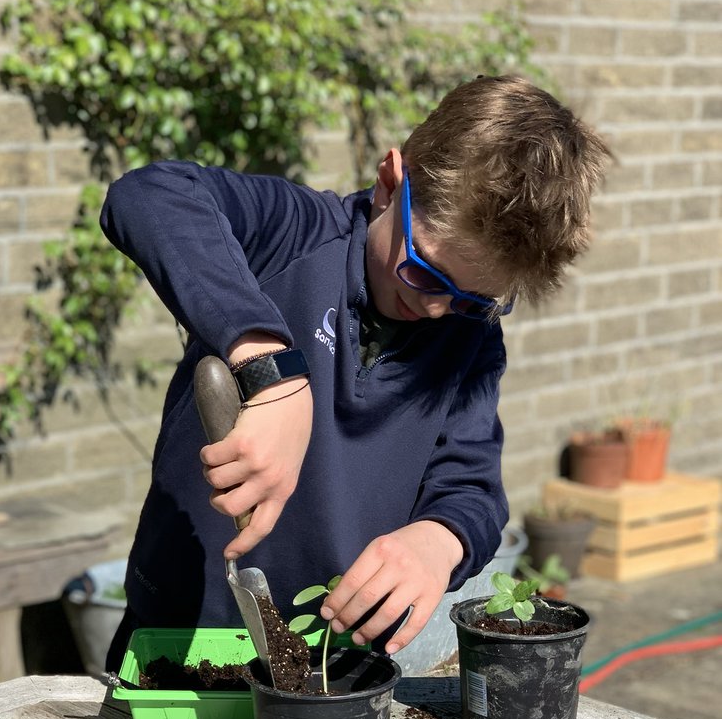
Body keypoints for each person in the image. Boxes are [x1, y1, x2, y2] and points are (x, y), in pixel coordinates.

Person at [100, 75, 612, 671]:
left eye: (474, 298)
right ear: (391, 183)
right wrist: (269, 368)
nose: (437, 308)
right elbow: (148, 195)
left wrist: (439, 540)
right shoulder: (292, 235)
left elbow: (472, 487)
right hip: (179, 635)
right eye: (426, 272)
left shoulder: (471, 338)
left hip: (331, 663)